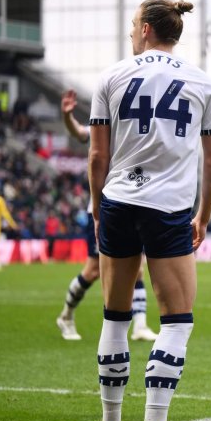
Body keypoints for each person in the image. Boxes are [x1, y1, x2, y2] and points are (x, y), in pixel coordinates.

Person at [80, 0, 211, 421]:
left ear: (145, 28)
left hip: (120, 201)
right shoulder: (204, 85)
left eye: (131, 25)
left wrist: (97, 206)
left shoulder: (112, 76)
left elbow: (98, 156)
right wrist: (203, 216)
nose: (130, 32)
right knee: (177, 320)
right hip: (169, 209)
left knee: (115, 315)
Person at [56, 89, 157, 342]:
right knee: (93, 270)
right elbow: (79, 132)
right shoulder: (103, 128)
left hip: (128, 206)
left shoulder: (133, 132)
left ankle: (141, 326)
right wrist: (67, 116)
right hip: (101, 210)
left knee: (139, 269)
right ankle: (66, 316)